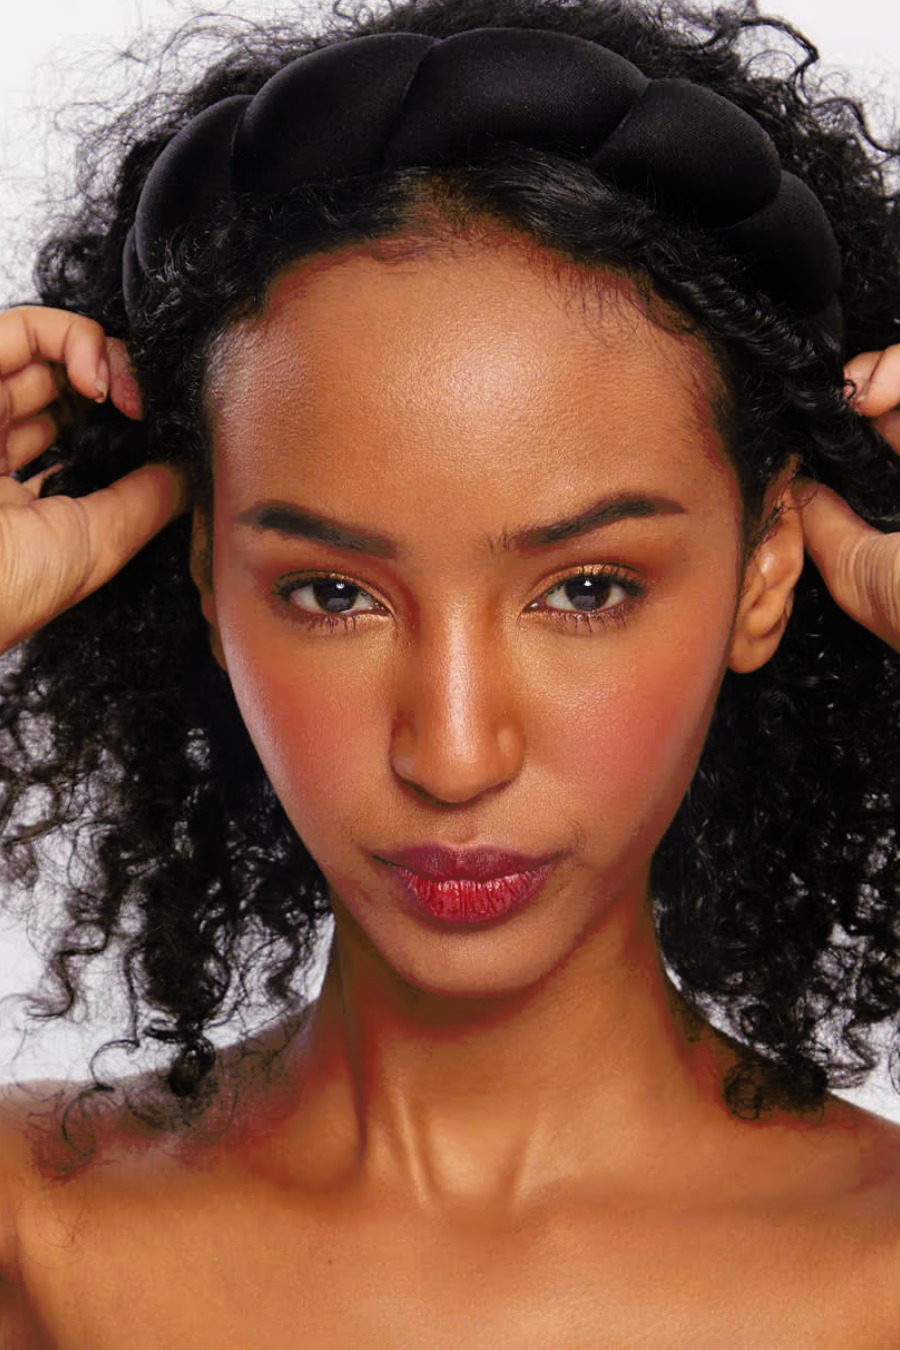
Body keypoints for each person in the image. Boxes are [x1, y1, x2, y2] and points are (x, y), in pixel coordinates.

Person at [1, 0, 900, 1341]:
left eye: (586, 589)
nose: (454, 750)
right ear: (201, 569)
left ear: (766, 565)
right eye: (334, 592)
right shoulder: (32, 1235)